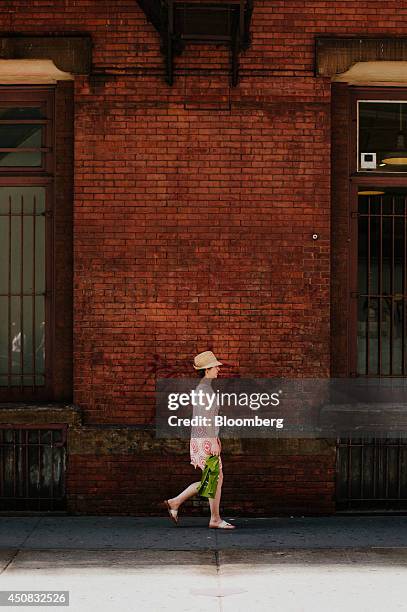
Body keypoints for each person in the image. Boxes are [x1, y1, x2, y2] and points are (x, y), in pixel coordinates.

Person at [163, 350, 236, 529]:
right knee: (215, 477)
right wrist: (212, 441)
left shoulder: (205, 388)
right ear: (207, 369)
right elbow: (205, 419)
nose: (218, 368)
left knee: (212, 478)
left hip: (203, 439)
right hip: (205, 440)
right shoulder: (204, 391)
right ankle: (214, 519)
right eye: (215, 366)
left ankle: (176, 502)